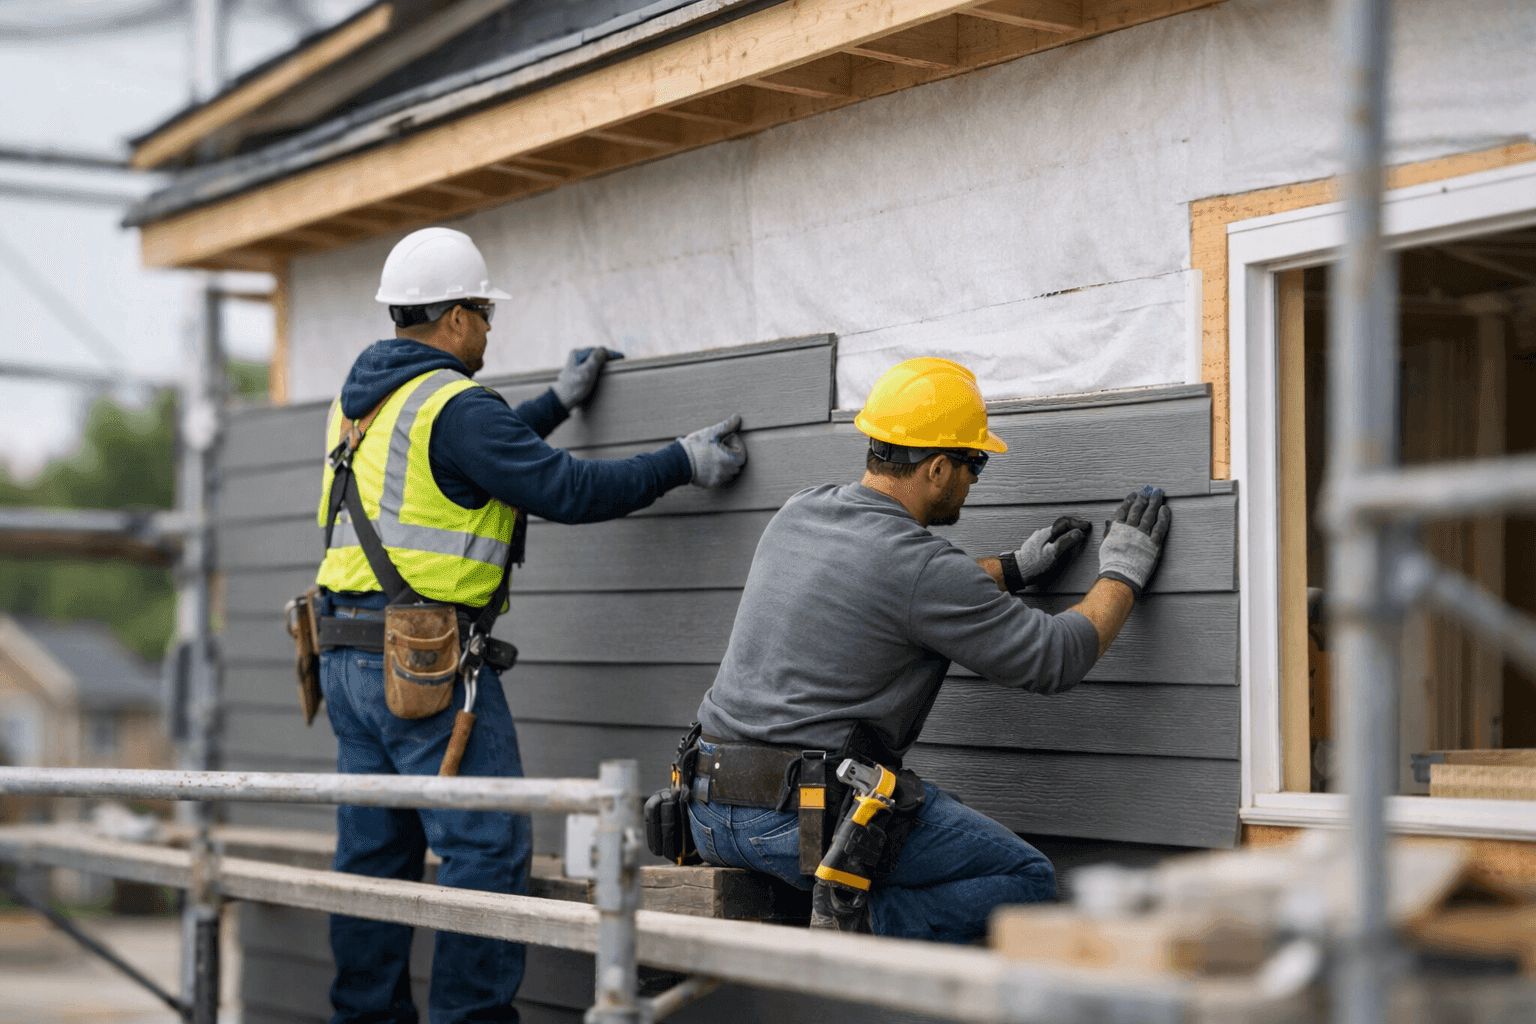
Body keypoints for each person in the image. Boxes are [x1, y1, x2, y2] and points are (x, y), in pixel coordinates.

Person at [312, 227, 748, 1024]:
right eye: (482, 313)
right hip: (421, 664)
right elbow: (566, 490)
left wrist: (555, 404)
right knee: (485, 850)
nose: (487, 329)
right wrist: (682, 462)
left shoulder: (364, 402)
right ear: (450, 320)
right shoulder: (454, 405)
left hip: (343, 658)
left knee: (373, 862)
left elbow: (473, 465)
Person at [686, 357, 1171, 943]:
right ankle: (851, 920)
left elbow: (882, 587)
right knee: (1023, 878)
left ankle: (816, 906)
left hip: (707, 811)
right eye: (976, 464)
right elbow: (1054, 657)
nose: (975, 480)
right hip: (802, 825)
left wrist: (1014, 570)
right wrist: (1121, 573)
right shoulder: (921, 566)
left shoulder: (801, 511)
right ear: (939, 468)